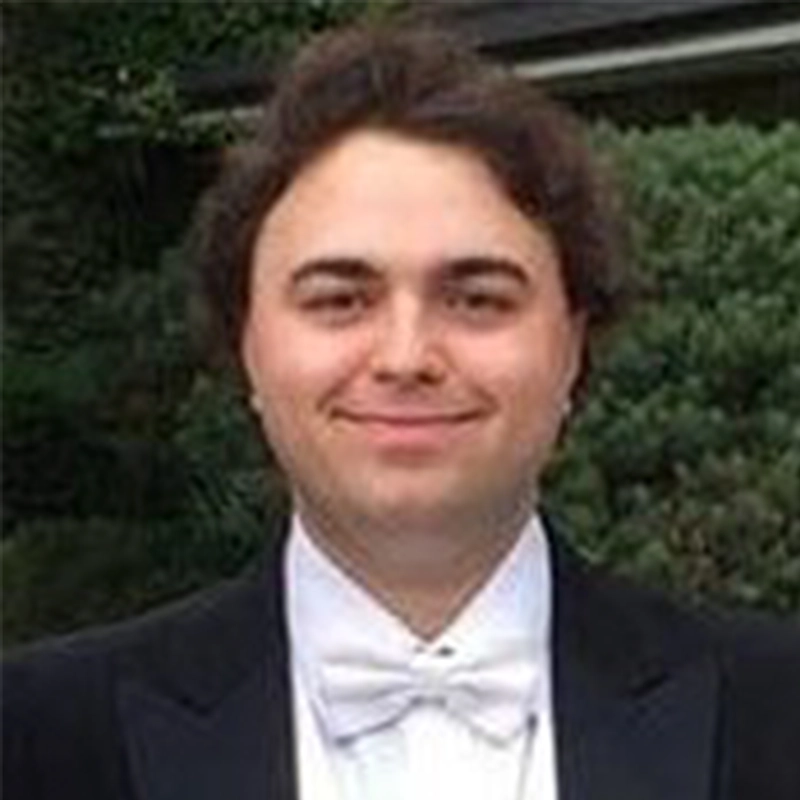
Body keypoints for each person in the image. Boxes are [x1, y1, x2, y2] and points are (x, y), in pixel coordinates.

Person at [3, 21, 799, 800]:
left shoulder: (775, 710)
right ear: (247, 344)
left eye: (478, 298)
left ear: (572, 348)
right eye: (341, 298)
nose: (406, 356)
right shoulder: (40, 738)